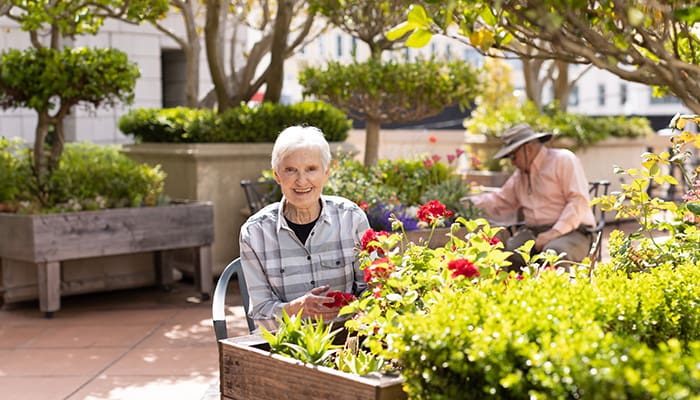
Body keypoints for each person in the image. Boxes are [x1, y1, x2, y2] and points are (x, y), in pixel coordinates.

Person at [239, 125, 370, 331]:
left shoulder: (351, 218)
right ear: (277, 175)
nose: (301, 181)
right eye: (291, 170)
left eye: (311, 169)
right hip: (287, 346)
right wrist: (295, 309)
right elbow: (262, 315)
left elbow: (371, 290)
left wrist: (355, 311)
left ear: (326, 172)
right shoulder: (255, 233)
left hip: (346, 341)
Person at [465, 123, 595, 271]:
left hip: (574, 231)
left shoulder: (563, 160)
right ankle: (517, 293)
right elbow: (500, 200)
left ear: (528, 148)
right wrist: (466, 203)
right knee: (507, 255)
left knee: (553, 255)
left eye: (513, 156)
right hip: (534, 232)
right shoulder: (519, 176)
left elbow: (578, 201)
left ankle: (559, 294)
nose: (512, 162)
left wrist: (554, 233)